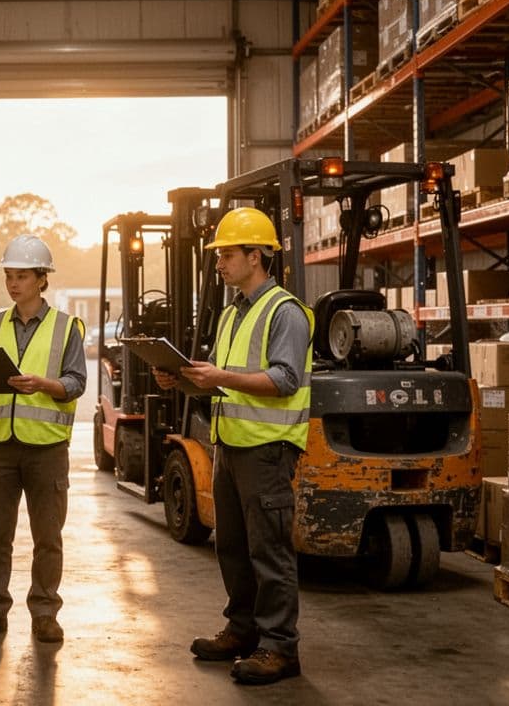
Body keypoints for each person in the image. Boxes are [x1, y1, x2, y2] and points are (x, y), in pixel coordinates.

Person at [152, 207, 312, 686]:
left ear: (257, 255)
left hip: (267, 449)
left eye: (226, 254)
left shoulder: (285, 312)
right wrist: (180, 378)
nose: (219, 263)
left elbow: (284, 380)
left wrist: (218, 375)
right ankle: (243, 630)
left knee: (270, 551)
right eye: (218, 254)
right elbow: (227, 385)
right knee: (233, 547)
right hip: (230, 445)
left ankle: (280, 647)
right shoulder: (231, 313)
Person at [0, 234, 86, 645]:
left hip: (47, 447)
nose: (13, 284)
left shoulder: (67, 328)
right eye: (9, 276)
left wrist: (44, 385)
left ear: (41, 279)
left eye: (22, 276)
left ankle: (45, 613)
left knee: (47, 537)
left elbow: (76, 383)